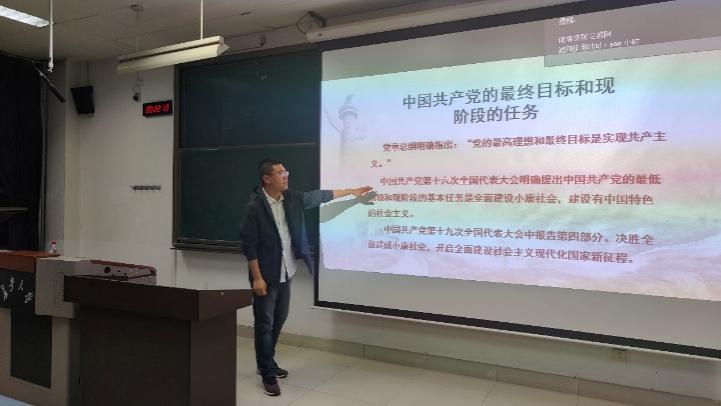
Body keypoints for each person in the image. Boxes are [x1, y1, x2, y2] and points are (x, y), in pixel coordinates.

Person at [240, 158, 372, 396]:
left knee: (279, 319)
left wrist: (352, 192)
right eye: (280, 173)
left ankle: (267, 361)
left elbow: (320, 196)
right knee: (264, 324)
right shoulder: (255, 207)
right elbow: (249, 245)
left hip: (286, 271)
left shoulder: (291, 198)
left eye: (286, 171)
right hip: (265, 275)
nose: (286, 175)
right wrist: (257, 278)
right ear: (267, 178)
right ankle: (267, 373)